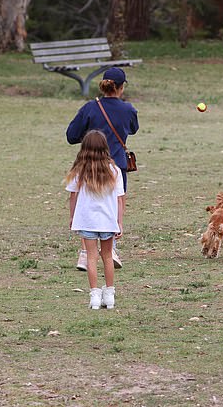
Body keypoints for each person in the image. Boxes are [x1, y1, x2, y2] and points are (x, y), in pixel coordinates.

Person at [66, 67, 139, 271]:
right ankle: (112, 249)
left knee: (85, 202)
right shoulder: (129, 110)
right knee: (116, 201)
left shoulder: (89, 108)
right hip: (116, 165)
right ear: (121, 87)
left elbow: (71, 135)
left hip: (88, 163)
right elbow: (133, 128)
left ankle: (84, 254)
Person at [65, 130, 125, 309]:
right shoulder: (114, 170)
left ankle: (94, 297)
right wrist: (119, 222)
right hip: (108, 220)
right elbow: (120, 198)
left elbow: (73, 196)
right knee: (107, 257)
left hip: (87, 220)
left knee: (91, 258)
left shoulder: (80, 171)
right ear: (105, 147)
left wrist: (72, 216)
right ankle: (110, 296)